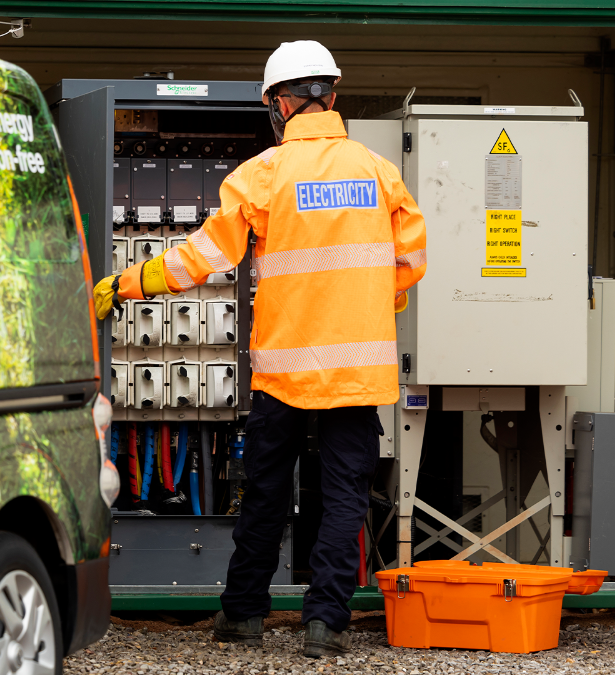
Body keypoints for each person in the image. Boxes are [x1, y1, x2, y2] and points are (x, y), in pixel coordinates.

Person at [93, 40, 426, 658]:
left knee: (266, 494)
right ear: (333, 94)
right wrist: (372, 301)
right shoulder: (381, 172)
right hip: (357, 378)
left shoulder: (262, 175)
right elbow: (410, 262)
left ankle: (243, 614)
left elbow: (201, 259)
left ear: (278, 103)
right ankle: (325, 623)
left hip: (284, 375)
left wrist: (126, 283)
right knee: (344, 498)